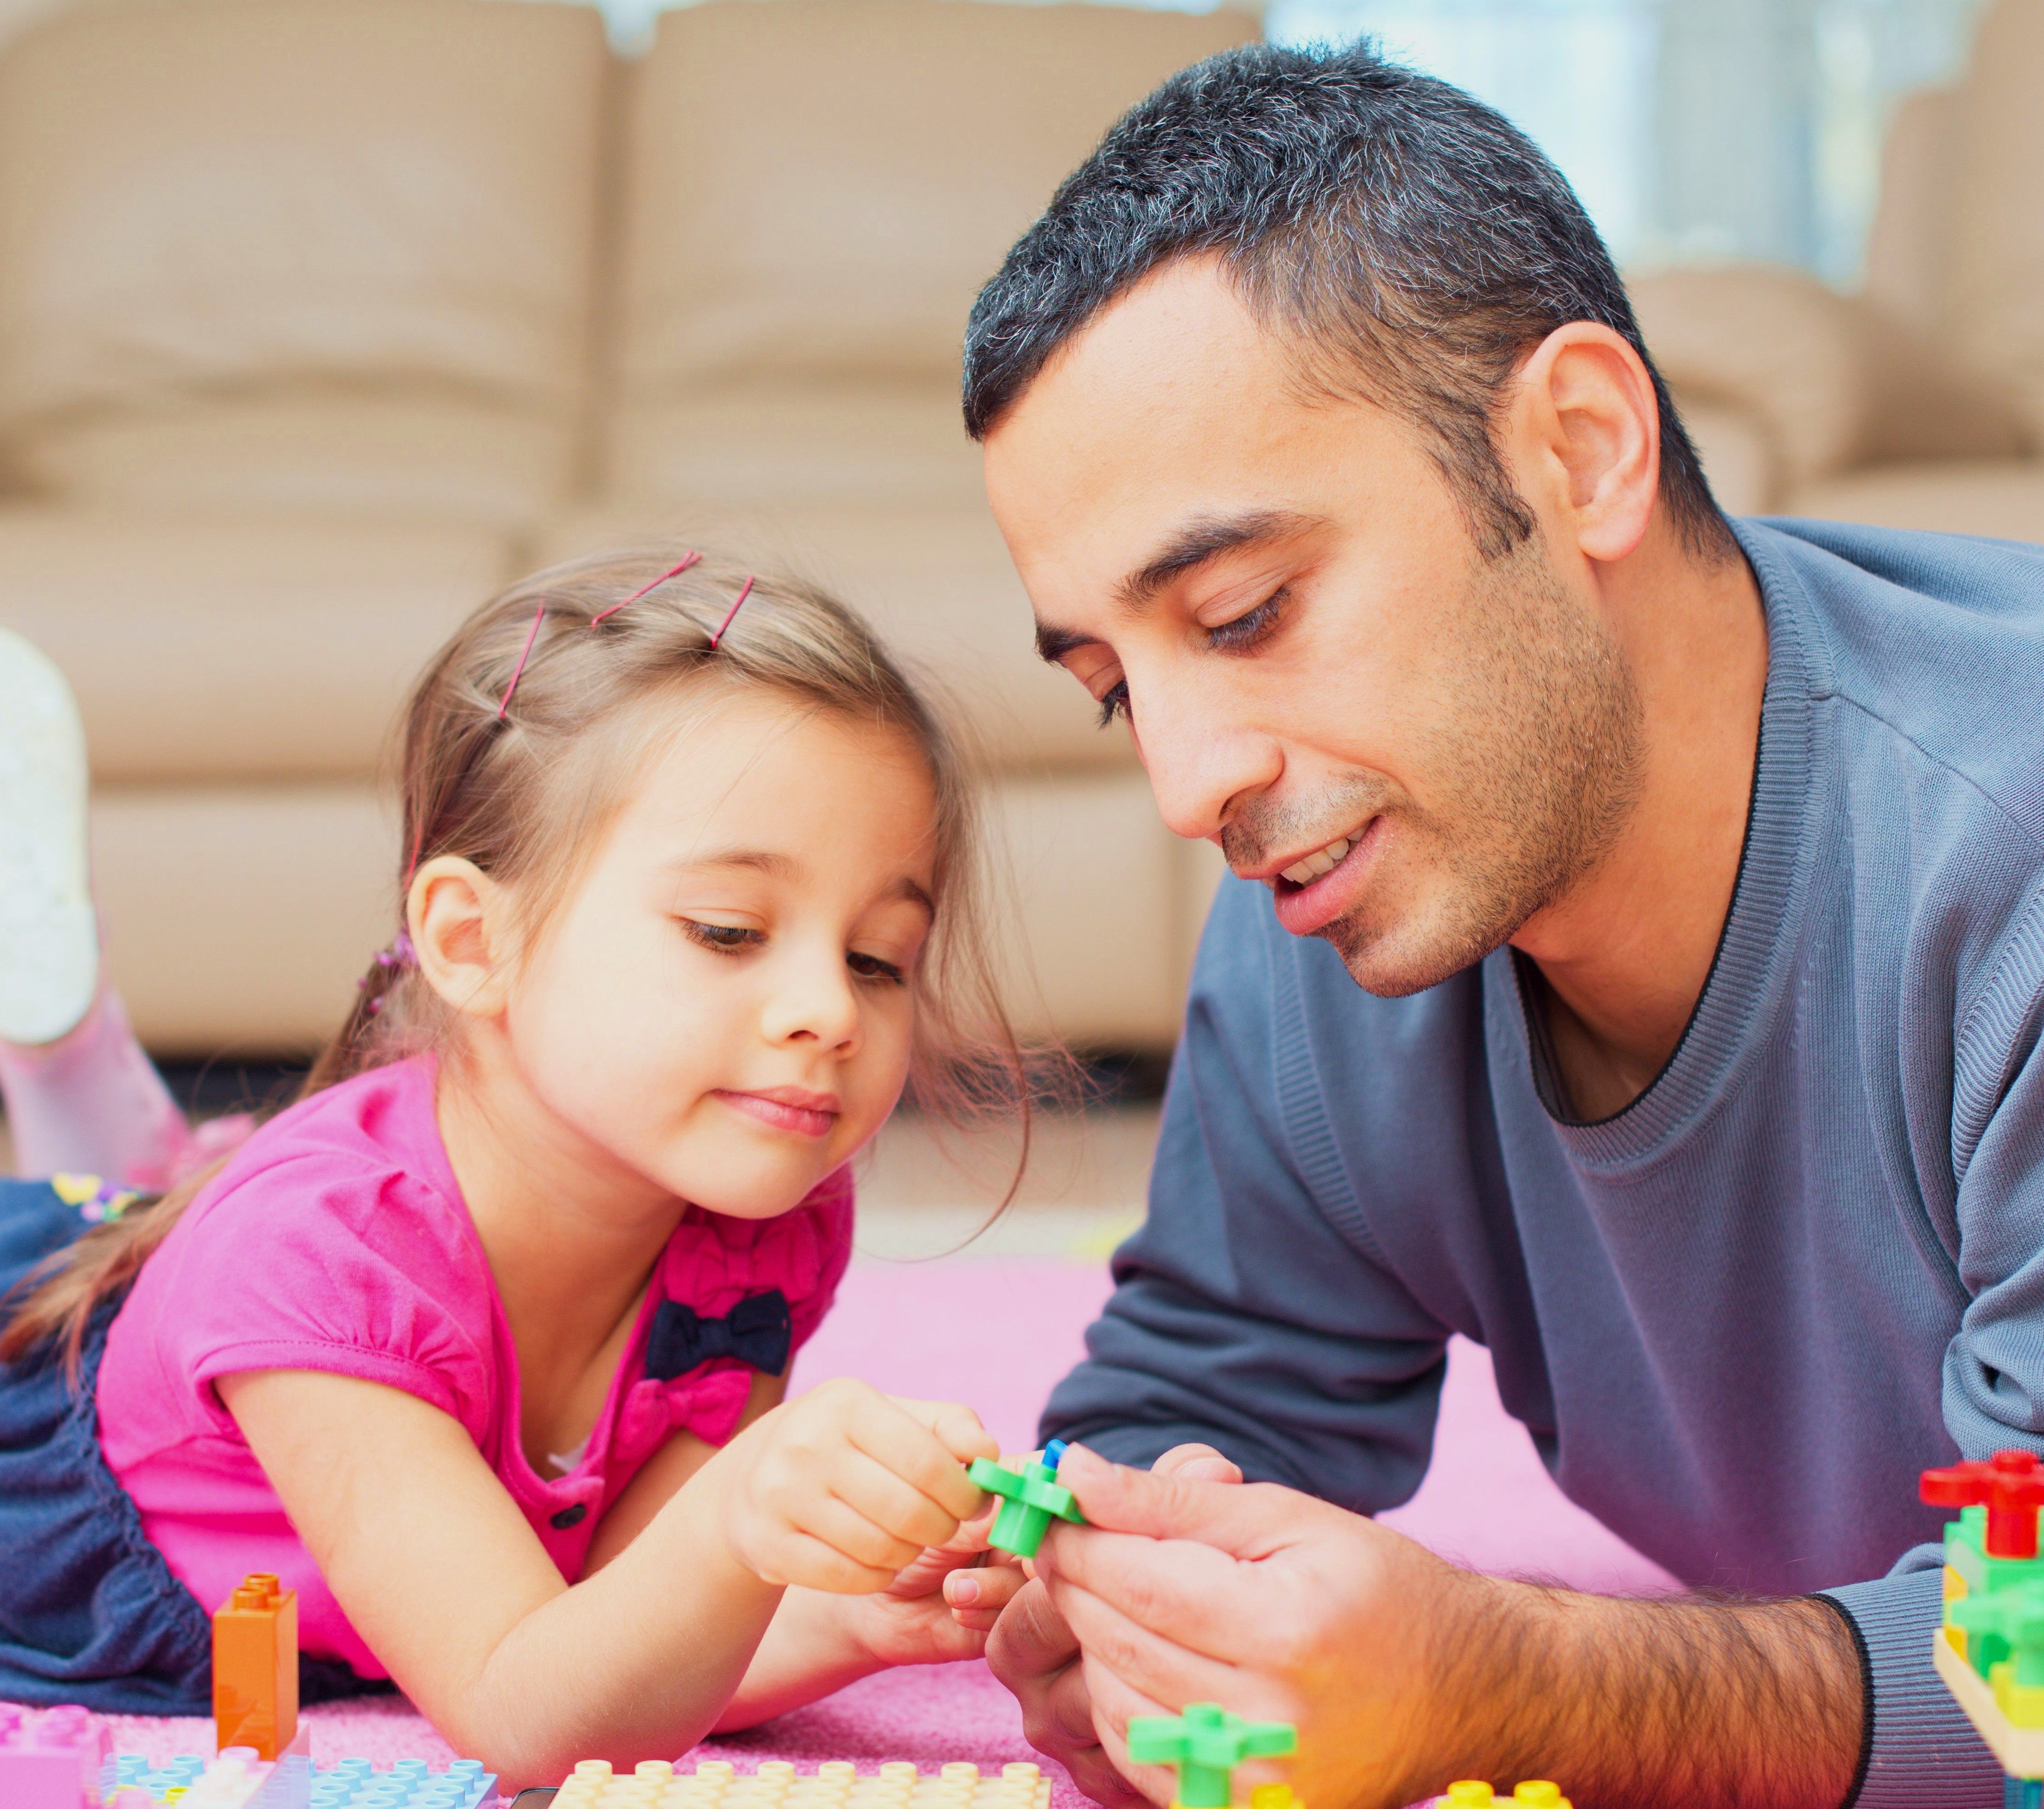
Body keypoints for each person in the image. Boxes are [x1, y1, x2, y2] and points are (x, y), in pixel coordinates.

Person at [948, 38, 2044, 1809]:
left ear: (1582, 450)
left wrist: (1516, 1687)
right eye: (1109, 690)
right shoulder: (1344, 882)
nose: (1185, 782)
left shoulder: (2012, 873)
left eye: (1238, 616)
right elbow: (1217, 1390)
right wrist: (1119, 1588)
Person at [0, 554, 1033, 1788]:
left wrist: (841, 1607)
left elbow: (613, 1623)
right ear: (471, 941)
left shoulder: (764, 1224)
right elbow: (520, 1705)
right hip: (92, 1411)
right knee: (186, 1234)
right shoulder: (319, 1267)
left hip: (224, 1272)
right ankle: (67, 1061)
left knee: (161, 1215)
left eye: (879, 957)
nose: (828, 1010)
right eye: (728, 932)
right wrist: (753, 1496)